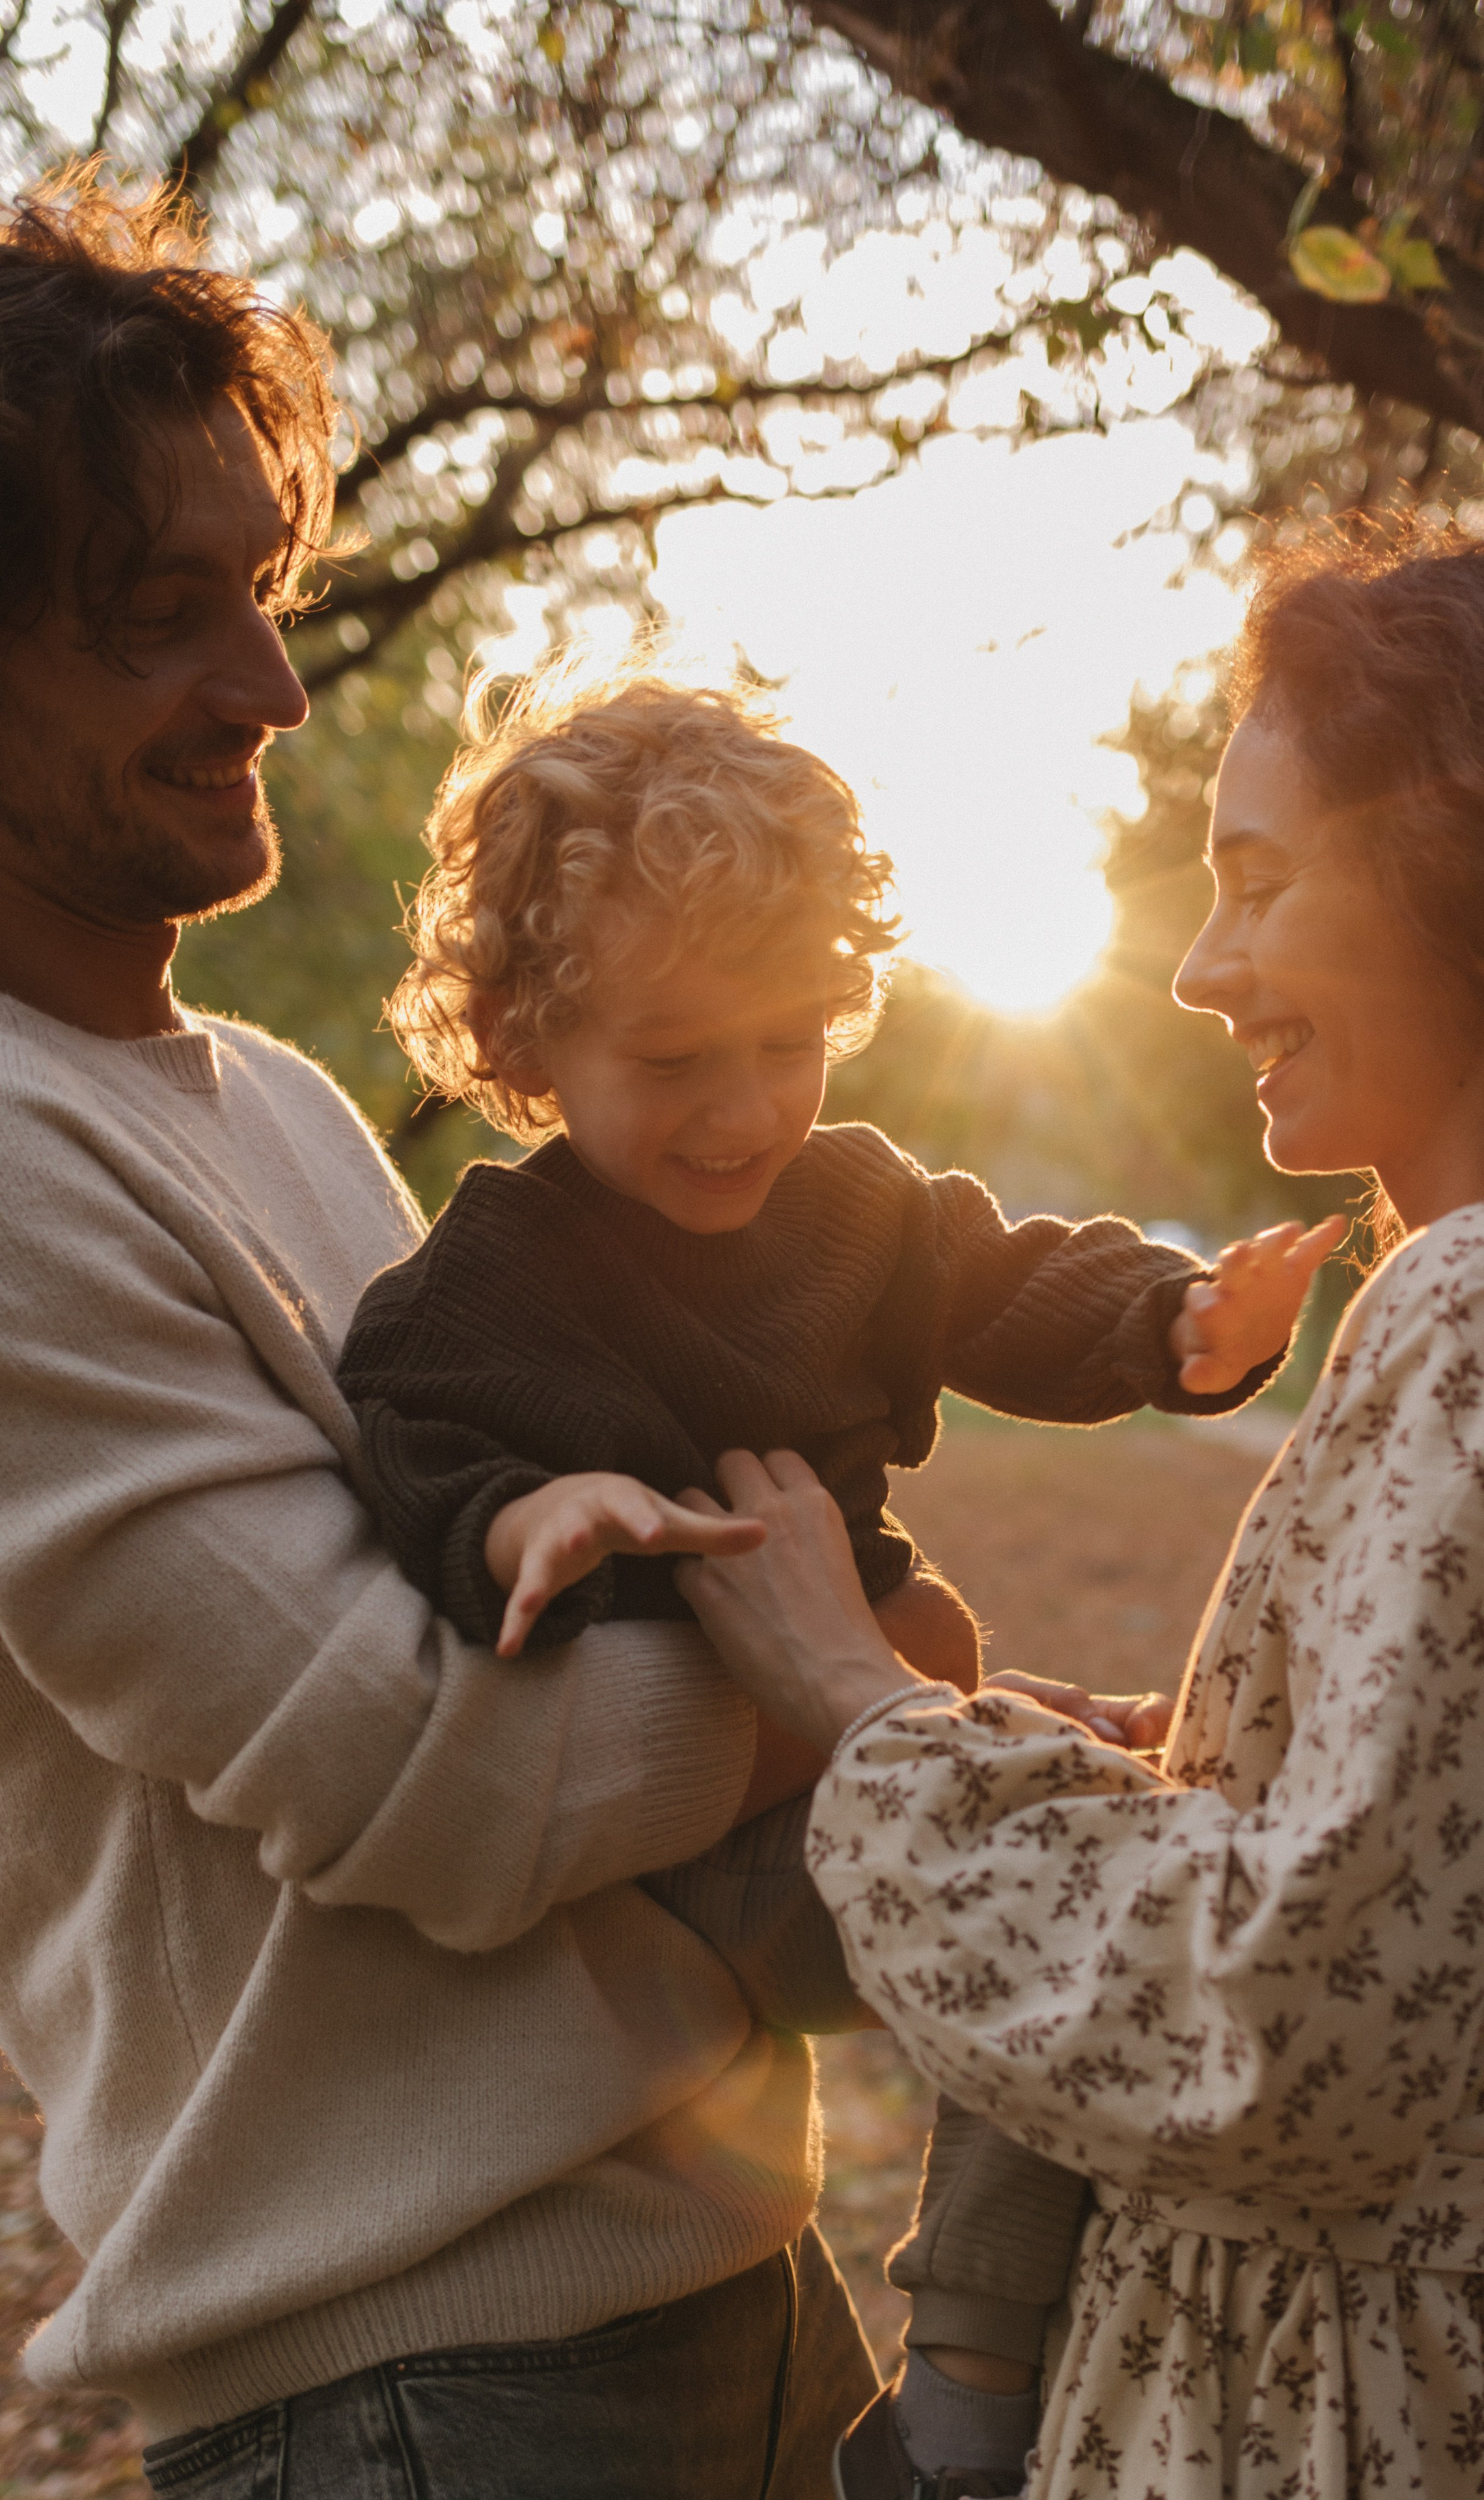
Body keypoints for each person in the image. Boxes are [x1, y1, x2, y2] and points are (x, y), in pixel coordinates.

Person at [0, 164, 875, 2499]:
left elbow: (552, 1569)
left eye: (267, 599)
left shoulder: (266, 1101)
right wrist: (863, 1674)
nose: (271, 688)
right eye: (166, 618)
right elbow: (456, 1784)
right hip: (418, 2390)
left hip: (717, 2280)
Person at [670, 525, 1484, 2500]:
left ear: (1478, 865)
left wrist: (869, 1715)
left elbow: (1293, 2032)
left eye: (1260, 881)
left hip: (1305, 2416)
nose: (1207, 970)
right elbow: (1436, 1880)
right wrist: (1180, 1771)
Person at [333, 664, 1340, 2490]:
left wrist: (1176, 1320)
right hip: (711, 1847)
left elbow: (1005, 1281)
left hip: (863, 1728)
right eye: (673, 1060)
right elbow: (416, 1440)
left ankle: (1016, 2348)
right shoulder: (496, 1279)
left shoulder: (855, 1203)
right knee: (1041, 1916)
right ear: (524, 1038)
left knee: (1099, 1898)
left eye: (788, 1041)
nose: (743, 1111)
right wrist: (523, 1524)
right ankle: (961, 2420)